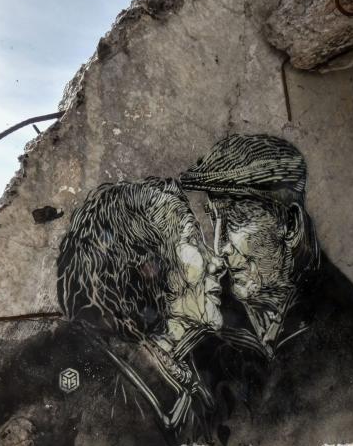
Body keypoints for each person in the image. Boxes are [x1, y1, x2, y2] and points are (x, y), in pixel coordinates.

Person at [180, 134, 353, 445]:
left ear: (290, 225)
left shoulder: (347, 340)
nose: (219, 247)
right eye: (215, 221)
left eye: (236, 221)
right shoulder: (218, 304)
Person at [56, 176, 226, 431]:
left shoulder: (178, 364)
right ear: (149, 267)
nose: (216, 262)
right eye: (192, 239)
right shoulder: (117, 402)